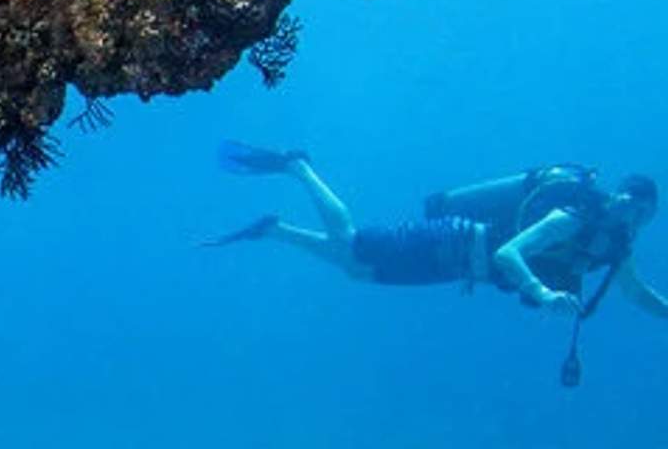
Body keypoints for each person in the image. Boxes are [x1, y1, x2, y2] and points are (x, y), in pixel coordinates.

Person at [205, 144, 666, 317]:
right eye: (632, 206)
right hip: (455, 239)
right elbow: (510, 255)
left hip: (458, 268)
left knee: (359, 272)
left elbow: (637, 293)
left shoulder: (615, 247)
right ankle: (298, 167)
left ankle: (275, 230)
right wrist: (542, 294)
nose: (633, 219)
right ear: (619, 198)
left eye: (644, 215)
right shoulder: (573, 217)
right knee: (354, 244)